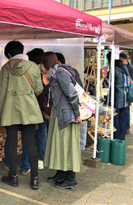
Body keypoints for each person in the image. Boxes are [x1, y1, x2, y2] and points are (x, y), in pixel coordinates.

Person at [0, 41, 43, 190]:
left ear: (9, 54)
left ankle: (13, 176)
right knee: (30, 143)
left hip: (10, 109)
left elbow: (1, 93)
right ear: (23, 50)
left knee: (11, 142)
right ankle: (35, 179)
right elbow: (38, 89)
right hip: (29, 109)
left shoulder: (5, 68)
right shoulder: (33, 67)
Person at [41, 52, 81, 190]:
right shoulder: (55, 73)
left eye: (40, 64)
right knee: (60, 146)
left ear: (44, 64)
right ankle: (60, 174)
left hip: (67, 116)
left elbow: (72, 94)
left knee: (67, 147)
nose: (39, 67)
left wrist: (77, 113)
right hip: (60, 114)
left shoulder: (60, 73)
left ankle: (70, 179)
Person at [106, 52, 131, 140]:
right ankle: (122, 138)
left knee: (116, 117)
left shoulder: (114, 70)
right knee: (123, 118)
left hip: (117, 98)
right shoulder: (125, 69)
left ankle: (117, 137)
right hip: (126, 97)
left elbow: (108, 84)